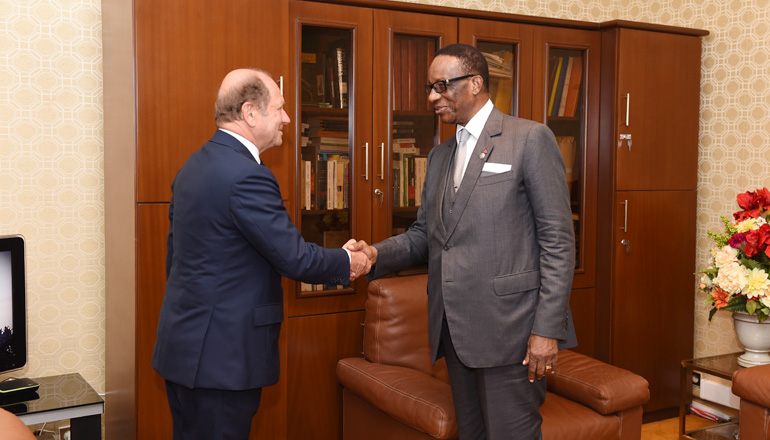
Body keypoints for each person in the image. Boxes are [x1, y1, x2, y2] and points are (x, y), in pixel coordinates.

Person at [349, 44, 576, 439]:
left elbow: (558, 241)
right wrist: (373, 253)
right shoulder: (439, 157)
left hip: (513, 333)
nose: (432, 96)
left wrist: (547, 331)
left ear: (475, 83)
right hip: (454, 331)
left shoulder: (530, 139)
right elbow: (425, 235)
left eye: (442, 85)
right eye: (430, 86)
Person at [152, 68, 370, 440]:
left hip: (187, 350)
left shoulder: (195, 165)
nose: (287, 118)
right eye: (281, 108)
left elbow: (178, 259)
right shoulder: (246, 175)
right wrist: (351, 261)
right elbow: (294, 258)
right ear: (251, 113)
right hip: (223, 359)